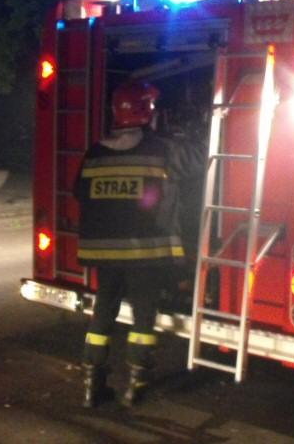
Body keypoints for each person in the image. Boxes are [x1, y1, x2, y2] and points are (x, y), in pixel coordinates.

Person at [74, 81, 204, 408]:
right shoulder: (163, 150)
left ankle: (92, 388)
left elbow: (80, 192)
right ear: (148, 112)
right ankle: (135, 387)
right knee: (143, 319)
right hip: (145, 255)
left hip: (106, 255)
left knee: (102, 314)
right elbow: (201, 160)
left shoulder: (95, 152)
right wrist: (193, 132)